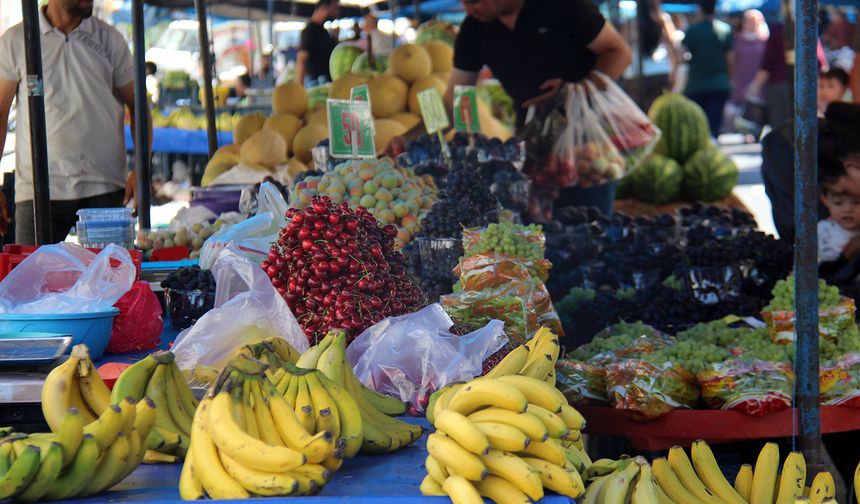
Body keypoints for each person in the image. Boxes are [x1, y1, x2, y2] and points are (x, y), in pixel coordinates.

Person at [0, 0, 150, 245]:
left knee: (114, 277)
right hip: (37, 190)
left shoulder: (109, 39)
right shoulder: (16, 40)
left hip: (104, 186)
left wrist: (141, 170)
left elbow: (139, 108)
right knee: (33, 279)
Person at [681, 0, 733, 136]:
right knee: (713, 126)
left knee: (697, 126)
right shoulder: (725, 29)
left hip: (696, 84)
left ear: (700, 9)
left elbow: (681, 56)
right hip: (719, 84)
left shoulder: (692, 30)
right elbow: (730, 59)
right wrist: (730, 79)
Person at [818, 155, 860, 266]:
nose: (847, 210)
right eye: (838, 202)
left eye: (856, 202)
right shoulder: (823, 230)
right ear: (825, 200)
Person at [297, 0, 340, 88]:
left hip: (325, 82)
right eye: (334, 9)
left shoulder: (323, 30)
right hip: (317, 84)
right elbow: (301, 59)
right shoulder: (310, 31)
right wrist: (299, 87)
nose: (337, 13)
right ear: (324, 8)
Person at [730, 10, 768, 108]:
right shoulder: (738, 40)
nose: (751, 23)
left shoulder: (765, 40)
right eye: (748, 21)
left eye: (754, 21)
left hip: (760, 84)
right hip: (741, 82)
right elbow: (732, 61)